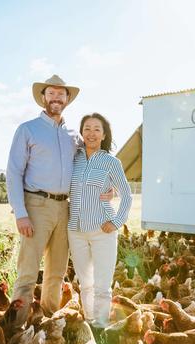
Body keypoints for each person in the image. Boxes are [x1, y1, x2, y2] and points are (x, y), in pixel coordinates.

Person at [6, 75, 111, 326]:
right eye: (51, 93)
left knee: (57, 271)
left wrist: (109, 187)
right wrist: (20, 212)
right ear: (43, 98)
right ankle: (15, 328)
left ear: (67, 99)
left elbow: (92, 161)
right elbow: (13, 172)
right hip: (36, 205)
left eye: (60, 94)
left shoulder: (74, 135)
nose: (55, 98)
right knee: (29, 272)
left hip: (65, 207)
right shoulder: (27, 129)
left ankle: (48, 324)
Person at [68, 112, 132, 329]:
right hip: (75, 229)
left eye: (97, 129)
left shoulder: (111, 162)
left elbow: (127, 195)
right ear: (81, 132)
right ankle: (88, 322)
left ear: (104, 134)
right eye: (87, 128)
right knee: (85, 282)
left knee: (102, 285)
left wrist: (116, 221)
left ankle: (101, 324)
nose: (91, 133)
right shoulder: (73, 158)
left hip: (102, 229)